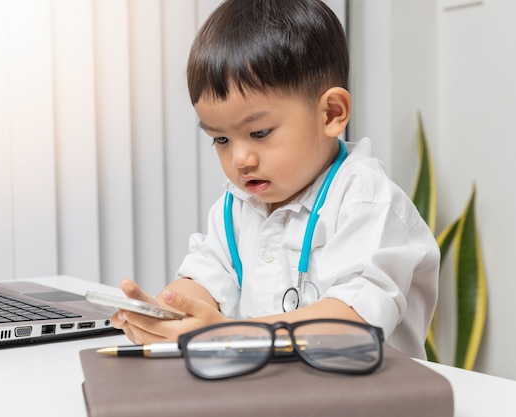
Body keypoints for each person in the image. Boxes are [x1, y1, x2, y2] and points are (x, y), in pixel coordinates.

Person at [112, 0, 439, 359]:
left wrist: (228, 333)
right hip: (278, 392)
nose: (239, 159)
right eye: (220, 139)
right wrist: (169, 315)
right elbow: (202, 281)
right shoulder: (235, 207)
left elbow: (352, 323)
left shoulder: (364, 199)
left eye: (260, 132)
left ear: (331, 113)